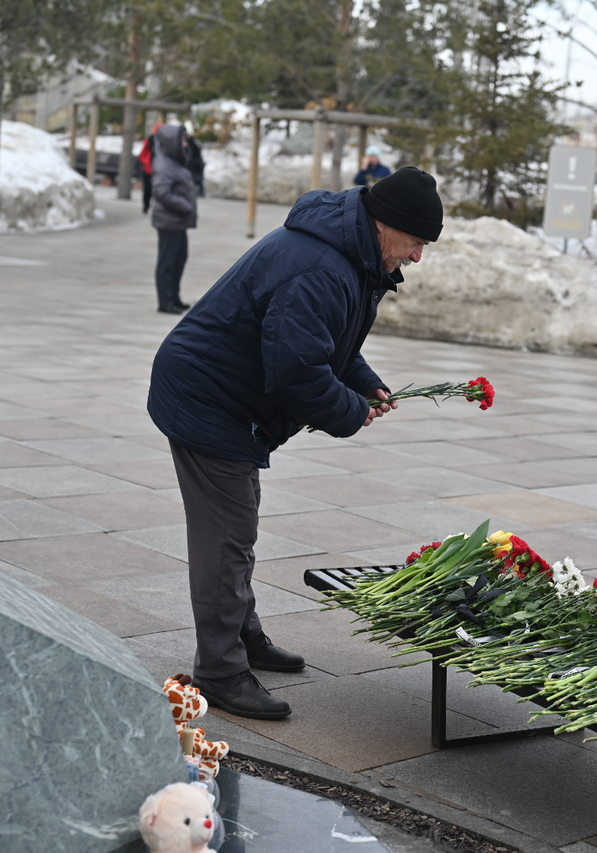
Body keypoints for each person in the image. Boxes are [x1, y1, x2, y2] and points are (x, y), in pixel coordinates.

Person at [147, 167, 444, 719]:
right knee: (227, 537)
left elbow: (329, 342)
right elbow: (296, 373)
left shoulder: (348, 254)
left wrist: (363, 382)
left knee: (238, 525)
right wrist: (352, 412)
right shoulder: (322, 267)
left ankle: (243, 637)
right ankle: (220, 670)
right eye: (417, 243)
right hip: (205, 396)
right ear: (387, 225)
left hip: (226, 398)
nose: (418, 257)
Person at [151, 123, 197, 314]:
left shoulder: (174, 160)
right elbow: (161, 191)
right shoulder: (164, 164)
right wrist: (184, 206)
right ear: (173, 142)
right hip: (170, 221)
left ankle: (174, 297)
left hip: (178, 222)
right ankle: (165, 301)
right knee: (167, 262)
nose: (186, 144)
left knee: (179, 259)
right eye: (183, 140)